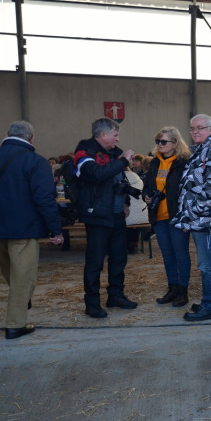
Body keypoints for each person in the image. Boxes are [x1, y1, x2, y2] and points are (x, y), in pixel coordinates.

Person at [0, 121, 64, 339]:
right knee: (23, 278)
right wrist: (56, 230)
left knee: (10, 272)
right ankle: (15, 324)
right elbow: (45, 199)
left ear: (8, 135)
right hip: (23, 229)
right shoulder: (35, 161)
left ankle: (22, 301)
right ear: (31, 139)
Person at [73, 117, 137, 318]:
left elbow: (119, 179)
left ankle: (115, 295)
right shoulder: (84, 153)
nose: (117, 139)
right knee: (95, 261)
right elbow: (96, 174)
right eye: (115, 135)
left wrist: (126, 200)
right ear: (102, 135)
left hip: (117, 215)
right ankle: (92, 302)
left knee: (119, 258)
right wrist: (124, 161)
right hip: (98, 216)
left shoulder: (112, 155)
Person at [172, 114, 211, 321]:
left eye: (200, 128)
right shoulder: (202, 150)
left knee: (207, 265)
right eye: (192, 128)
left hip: (204, 219)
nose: (195, 131)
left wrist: (193, 212)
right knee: (209, 262)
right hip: (199, 217)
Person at [142, 126, 192, 308]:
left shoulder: (183, 162)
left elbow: (188, 190)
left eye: (163, 141)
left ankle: (182, 291)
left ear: (175, 143)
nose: (160, 145)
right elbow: (147, 185)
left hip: (177, 216)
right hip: (159, 216)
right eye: (158, 141)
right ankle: (171, 289)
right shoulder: (155, 162)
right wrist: (146, 196)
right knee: (167, 255)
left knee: (181, 254)